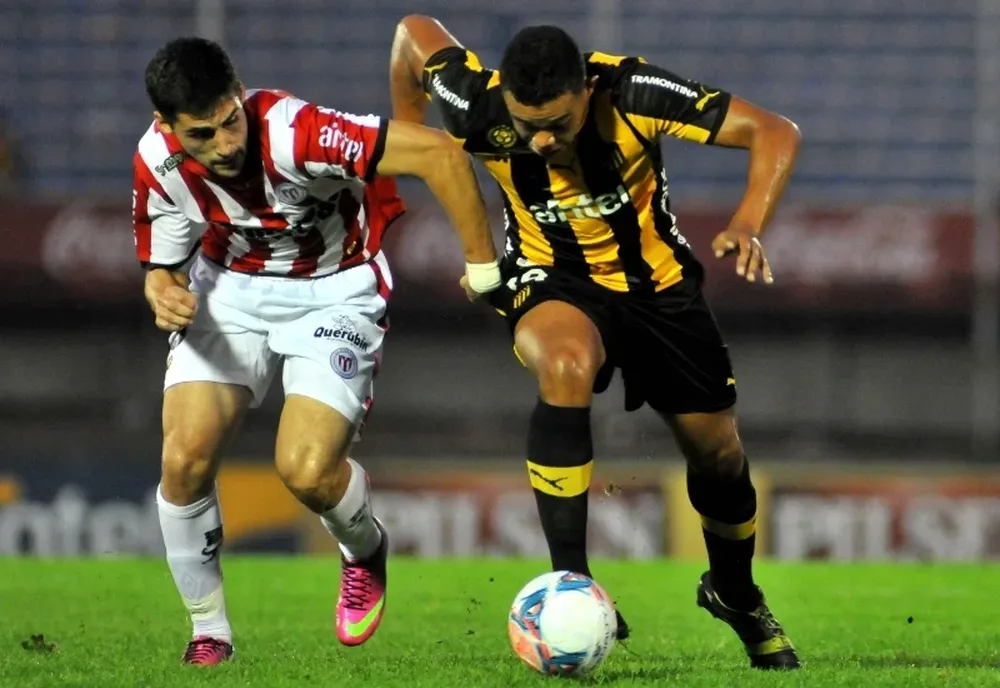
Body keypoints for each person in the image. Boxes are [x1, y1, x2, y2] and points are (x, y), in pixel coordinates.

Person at [390, 16, 802, 670]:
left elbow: (775, 131)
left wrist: (749, 221)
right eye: (529, 128)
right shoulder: (475, 100)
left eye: (559, 121)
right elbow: (413, 34)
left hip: (658, 292)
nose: (544, 139)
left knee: (718, 455)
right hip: (550, 278)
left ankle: (735, 592)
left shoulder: (633, 90)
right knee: (564, 362)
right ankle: (574, 587)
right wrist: (409, 134)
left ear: (586, 89)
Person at [132, 37, 500, 665]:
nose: (226, 144)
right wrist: (162, 292)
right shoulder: (155, 161)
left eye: (230, 120)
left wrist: (484, 269)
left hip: (336, 291)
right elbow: (160, 270)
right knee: (184, 458)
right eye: (203, 134)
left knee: (306, 471)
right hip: (231, 293)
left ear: (239, 93)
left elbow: (440, 155)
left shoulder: (301, 133)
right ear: (167, 126)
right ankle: (208, 631)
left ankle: (364, 551)